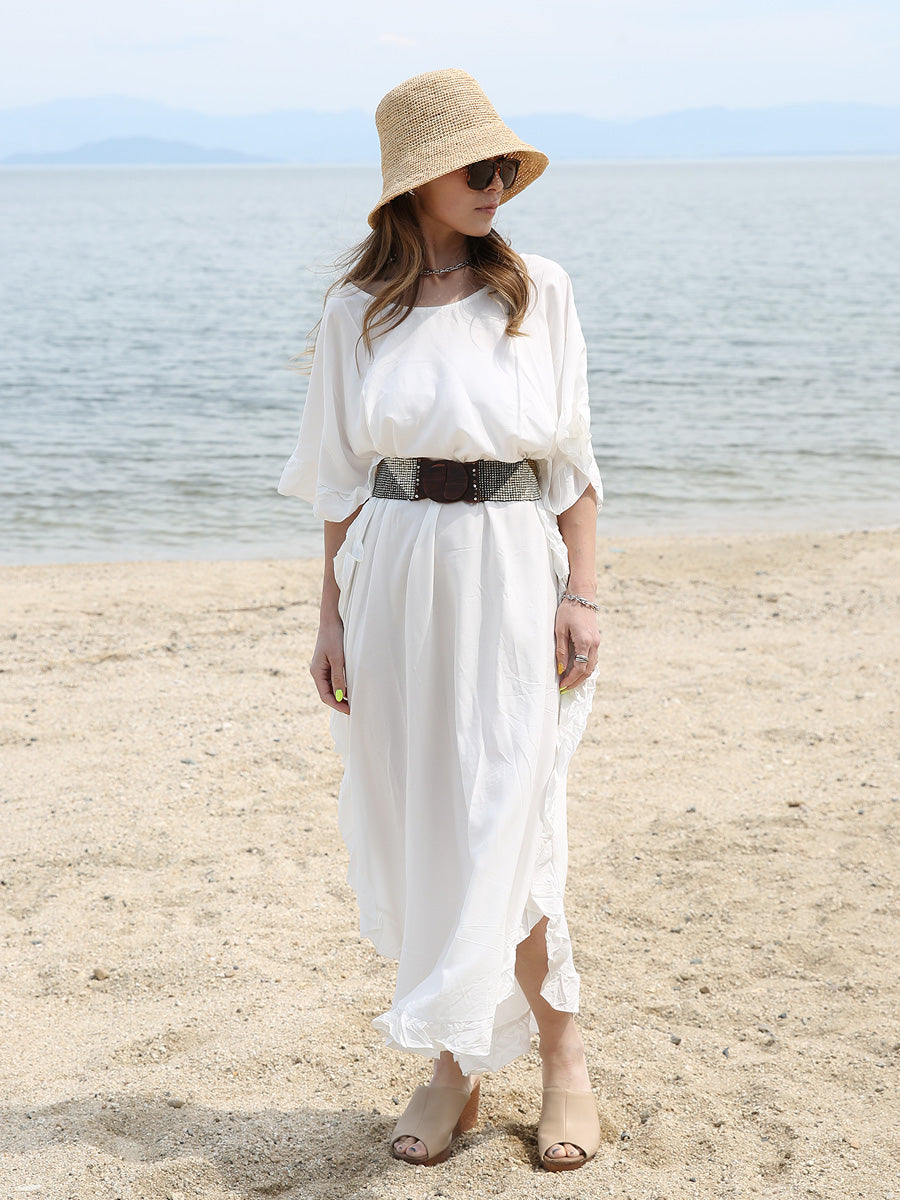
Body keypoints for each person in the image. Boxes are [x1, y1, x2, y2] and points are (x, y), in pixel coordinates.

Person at [278, 68, 603, 1172]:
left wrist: (582, 592)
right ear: (416, 181)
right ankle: (456, 1067)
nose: (496, 180)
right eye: (475, 165)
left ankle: (564, 1060)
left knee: (511, 818)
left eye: (504, 164)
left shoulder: (539, 291)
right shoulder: (354, 314)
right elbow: (339, 485)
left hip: (512, 571)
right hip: (395, 579)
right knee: (426, 822)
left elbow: (574, 467)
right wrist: (329, 617)